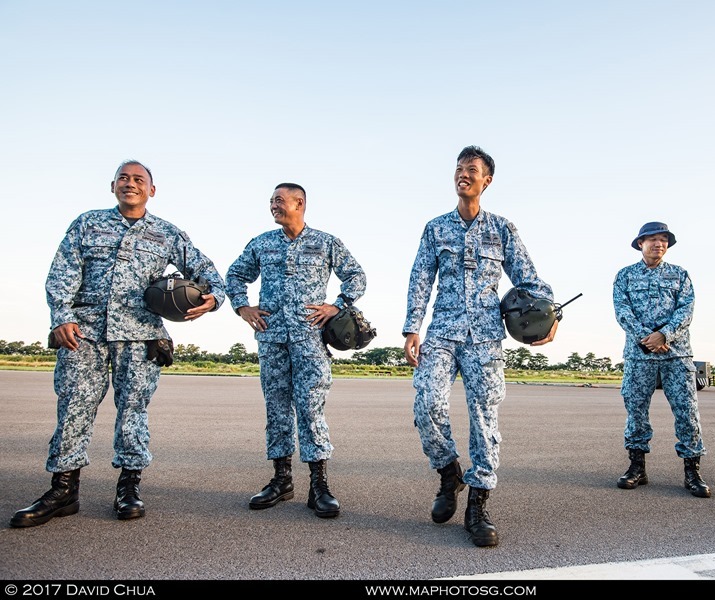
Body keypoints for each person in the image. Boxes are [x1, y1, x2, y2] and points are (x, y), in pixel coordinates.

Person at [10, 160, 226, 528]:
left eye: (139, 179)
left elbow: (207, 273)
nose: (131, 183)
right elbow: (63, 271)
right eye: (124, 178)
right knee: (74, 407)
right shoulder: (87, 223)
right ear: (112, 186)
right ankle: (63, 490)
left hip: (141, 335)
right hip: (85, 333)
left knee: (133, 411)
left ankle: (128, 486)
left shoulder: (167, 233)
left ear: (151, 190)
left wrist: (213, 298)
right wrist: (61, 315)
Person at [403, 146, 556, 547]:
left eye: (471, 170)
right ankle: (448, 471)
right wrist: (411, 329)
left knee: (484, 419)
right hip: (442, 332)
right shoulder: (436, 228)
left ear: (487, 180)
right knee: (426, 403)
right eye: (458, 169)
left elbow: (529, 279)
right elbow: (420, 280)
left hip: (486, 336)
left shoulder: (502, 229)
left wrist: (553, 317)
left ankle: (478, 503)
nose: (462, 175)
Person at [226, 183, 366, 518]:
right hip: (272, 337)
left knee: (310, 407)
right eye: (271, 200)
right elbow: (235, 276)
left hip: (310, 339)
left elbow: (356, 277)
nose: (273, 205)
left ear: (299, 203)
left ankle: (319, 484)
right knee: (276, 408)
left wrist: (337, 305)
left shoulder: (325, 242)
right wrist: (243, 308)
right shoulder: (262, 243)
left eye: (279, 200)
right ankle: (281, 480)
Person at [612, 222, 711, 498]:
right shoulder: (625, 276)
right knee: (636, 411)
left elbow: (686, 311)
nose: (659, 244)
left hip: (676, 355)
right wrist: (648, 338)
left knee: (687, 412)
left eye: (664, 240)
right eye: (653, 239)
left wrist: (664, 335)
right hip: (639, 354)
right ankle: (637, 467)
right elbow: (622, 311)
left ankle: (692, 471)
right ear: (640, 244)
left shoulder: (680, 275)